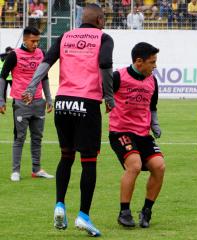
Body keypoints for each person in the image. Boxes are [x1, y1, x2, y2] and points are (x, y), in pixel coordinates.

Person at [22, 4, 114, 236]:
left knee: (66, 156)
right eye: (104, 19)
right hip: (87, 103)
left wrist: (32, 86)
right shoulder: (104, 38)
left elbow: (47, 61)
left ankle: (59, 205)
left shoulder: (65, 36)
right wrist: (109, 96)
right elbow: (104, 65)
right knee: (89, 161)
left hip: (63, 103)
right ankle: (83, 215)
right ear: (100, 20)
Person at [109, 42, 165, 228]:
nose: (155, 66)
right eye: (152, 62)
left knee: (159, 166)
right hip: (121, 131)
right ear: (139, 62)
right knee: (135, 165)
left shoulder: (152, 81)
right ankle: (124, 212)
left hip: (143, 133)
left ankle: (146, 211)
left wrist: (155, 125)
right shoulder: (118, 77)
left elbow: (153, 106)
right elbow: (102, 96)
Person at [0, 27, 53, 182]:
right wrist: (1, 100)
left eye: (38, 41)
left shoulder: (41, 54)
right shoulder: (14, 55)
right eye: (33, 41)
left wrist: (49, 99)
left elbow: (45, 77)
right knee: (20, 137)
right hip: (21, 102)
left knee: (37, 137)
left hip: (38, 102)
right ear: (25, 39)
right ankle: (15, 170)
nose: (36, 44)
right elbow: (2, 77)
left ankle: (36, 169)